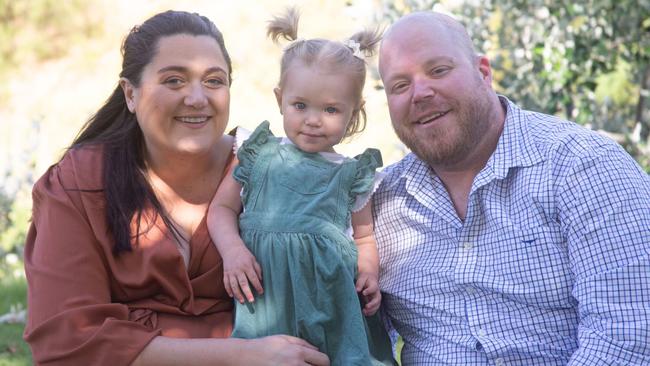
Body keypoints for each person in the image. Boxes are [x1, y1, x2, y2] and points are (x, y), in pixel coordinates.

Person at [23, 10, 330, 366]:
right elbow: (67, 339)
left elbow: (322, 295)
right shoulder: (78, 184)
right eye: (173, 81)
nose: (197, 98)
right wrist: (240, 355)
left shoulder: (272, 173)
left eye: (214, 81)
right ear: (130, 94)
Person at [373, 11, 650, 365]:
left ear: (483, 73)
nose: (421, 93)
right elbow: (344, 331)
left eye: (439, 70)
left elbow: (630, 336)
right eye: (400, 85)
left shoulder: (583, 167)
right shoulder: (381, 203)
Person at [207, 8, 395, 366]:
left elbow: (364, 236)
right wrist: (233, 252)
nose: (313, 120)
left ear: (354, 114)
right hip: (266, 298)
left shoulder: (352, 174)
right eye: (300, 105)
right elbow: (222, 210)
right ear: (280, 100)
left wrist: (369, 271)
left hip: (332, 300)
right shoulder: (257, 155)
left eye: (331, 110)